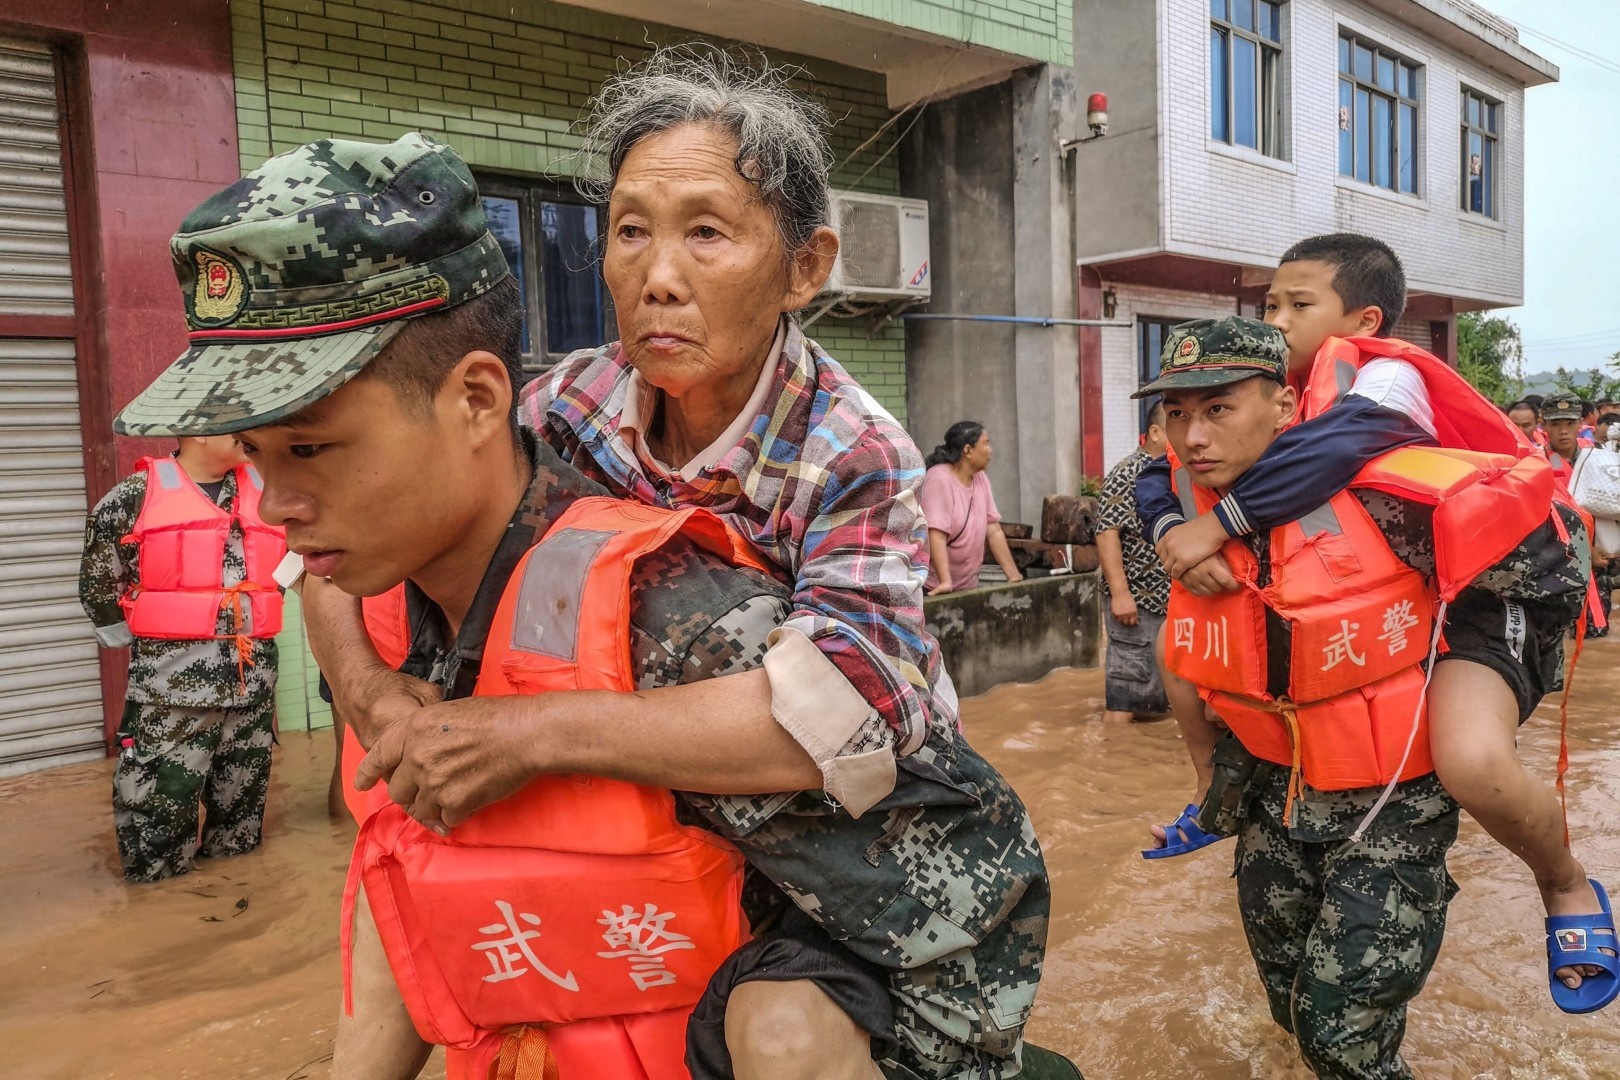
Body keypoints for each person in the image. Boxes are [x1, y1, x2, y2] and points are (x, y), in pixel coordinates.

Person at [114, 51, 1068, 1080]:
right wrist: (380, 705)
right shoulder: (560, 404)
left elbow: (839, 719)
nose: (658, 275)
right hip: (644, 799)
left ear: (804, 265)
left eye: (707, 231)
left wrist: (522, 731)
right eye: (628, 231)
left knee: (788, 1033)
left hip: (845, 828)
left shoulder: (855, 451)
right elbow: (350, 540)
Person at [1136, 234, 1617, 1013]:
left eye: (1299, 305)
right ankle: (1207, 798)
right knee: (1182, 649)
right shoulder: (1250, 400)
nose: (1278, 321)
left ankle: (1563, 882)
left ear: (1363, 319)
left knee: (1470, 759)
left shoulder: (1385, 380)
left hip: (1490, 591)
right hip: (1385, 605)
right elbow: (1148, 476)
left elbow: (1338, 446)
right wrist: (1170, 536)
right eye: (1268, 305)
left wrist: (1216, 524)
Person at [78, 435, 285, 882]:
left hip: (252, 688)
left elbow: (296, 560)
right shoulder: (134, 496)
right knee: (158, 821)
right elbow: (98, 580)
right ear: (198, 430)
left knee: (241, 830)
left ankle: (235, 920)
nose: (248, 432)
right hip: (170, 691)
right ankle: (161, 924)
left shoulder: (269, 489)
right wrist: (146, 637)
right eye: (235, 424)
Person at [1094, 400, 1171, 724]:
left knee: (1153, 698)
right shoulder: (1129, 472)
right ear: (1154, 431)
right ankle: (1113, 760)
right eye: (1176, 422)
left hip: (1164, 602)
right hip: (1136, 600)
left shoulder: (1171, 473)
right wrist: (1121, 594)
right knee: (1125, 698)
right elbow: (1106, 531)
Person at [920, 421, 1023, 593]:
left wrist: (1013, 575)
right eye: (986, 443)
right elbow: (936, 535)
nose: (990, 450)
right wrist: (945, 582)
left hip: (967, 587)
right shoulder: (938, 479)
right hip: (932, 588)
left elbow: (993, 530)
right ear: (968, 450)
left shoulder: (980, 478)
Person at [1549, 392, 1617, 638]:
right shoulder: (1535, 463)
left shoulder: (1599, 458)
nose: (1563, 431)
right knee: (1553, 634)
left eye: (1569, 423)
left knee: (1594, 632)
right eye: (1555, 424)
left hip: (1599, 560)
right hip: (1553, 563)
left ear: (1580, 423)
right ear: (1544, 424)